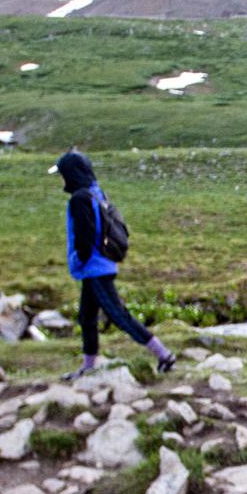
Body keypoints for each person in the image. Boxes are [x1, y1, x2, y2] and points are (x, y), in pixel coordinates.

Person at [51, 151, 176, 379]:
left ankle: (164, 355)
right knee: (87, 318)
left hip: (94, 268)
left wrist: (79, 261)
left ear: (71, 174)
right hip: (101, 265)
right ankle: (89, 366)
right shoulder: (95, 193)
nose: (61, 179)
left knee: (119, 316)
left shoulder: (79, 199)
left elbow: (85, 238)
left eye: (62, 174)